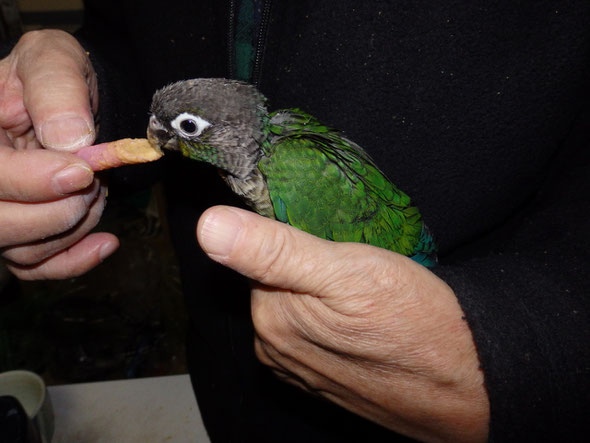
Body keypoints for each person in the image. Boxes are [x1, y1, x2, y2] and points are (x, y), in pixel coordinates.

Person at [1, 1, 588, 441]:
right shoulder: (254, 153)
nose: (160, 138)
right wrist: (95, 86)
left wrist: (517, 352)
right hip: (234, 385)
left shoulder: (293, 168)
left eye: (183, 128)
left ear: (227, 133)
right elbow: (127, 33)